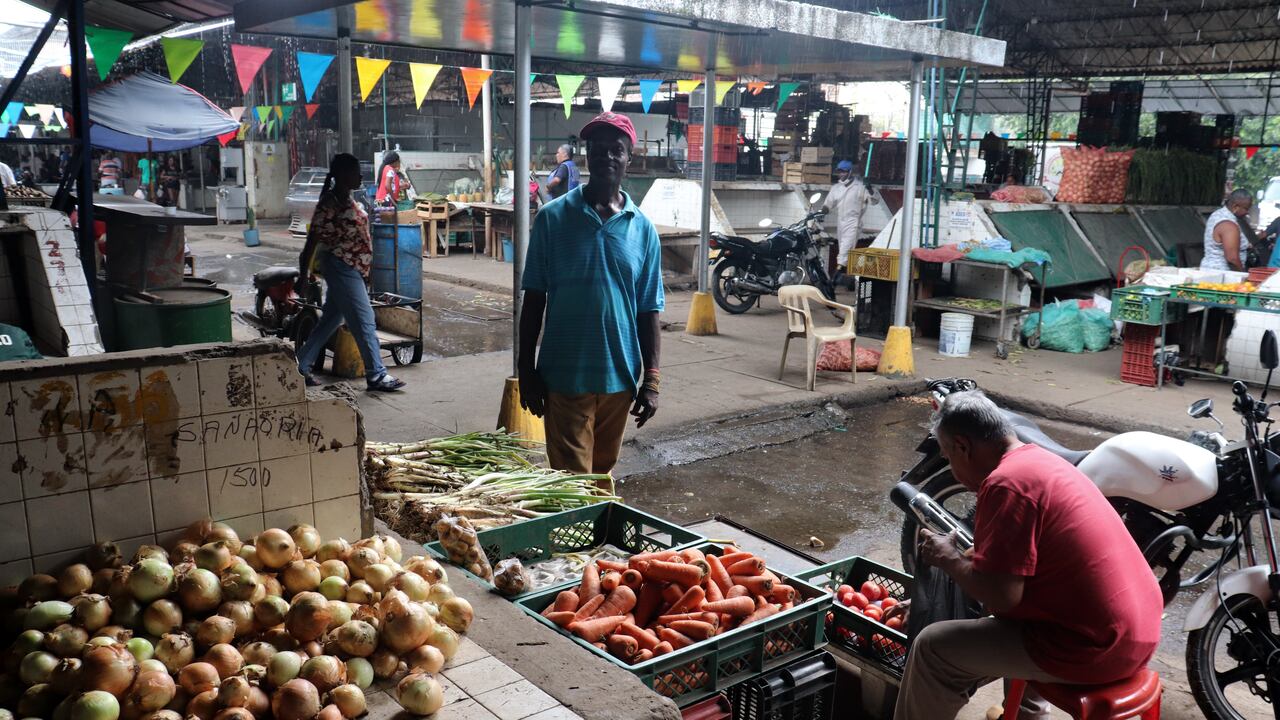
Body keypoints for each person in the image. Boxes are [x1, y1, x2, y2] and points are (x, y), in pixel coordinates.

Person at [893, 391, 1163, 720]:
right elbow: (998, 573)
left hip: (1100, 646)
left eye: (949, 456)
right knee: (1015, 621)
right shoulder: (1040, 461)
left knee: (931, 649)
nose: (952, 466)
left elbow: (1002, 597)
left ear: (962, 447)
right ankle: (1029, 715)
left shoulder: (1006, 484)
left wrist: (948, 559)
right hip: (1138, 630)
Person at [518, 112, 663, 479]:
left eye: (617, 150)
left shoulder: (643, 230)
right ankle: (582, 535)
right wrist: (526, 372)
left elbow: (649, 311)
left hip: (620, 378)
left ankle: (599, 536)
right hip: (565, 376)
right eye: (598, 150)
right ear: (586, 156)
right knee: (572, 482)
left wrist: (652, 382)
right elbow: (534, 300)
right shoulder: (552, 219)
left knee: (600, 476)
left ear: (630, 158)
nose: (607, 157)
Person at [295, 153, 406, 393]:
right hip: (340, 267)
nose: (361, 175)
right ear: (344, 174)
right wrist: (303, 276)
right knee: (364, 320)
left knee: (330, 321)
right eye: (356, 171)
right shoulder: (330, 202)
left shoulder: (346, 200)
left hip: (351, 269)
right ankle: (376, 374)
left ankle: (300, 366)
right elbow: (312, 241)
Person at [823, 159, 871, 275]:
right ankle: (848, 276)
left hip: (853, 222)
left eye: (844, 172)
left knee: (844, 250)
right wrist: (822, 212)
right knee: (845, 250)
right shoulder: (836, 188)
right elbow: (828, 204)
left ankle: (834, 279)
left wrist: (870, 188)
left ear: (850, 172)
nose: (841, 174)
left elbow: (874, 201)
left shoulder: (860, 187)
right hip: (841, 222)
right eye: (840, 172)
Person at [1203, 189, 1253, 271]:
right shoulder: (1228, 225)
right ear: (1235, 207)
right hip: (1222, 275)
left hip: (1210, 269)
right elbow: (1232, 259)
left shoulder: (1218, 214)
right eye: (1246, 209)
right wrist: (1243, 277)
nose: (1247, 212)